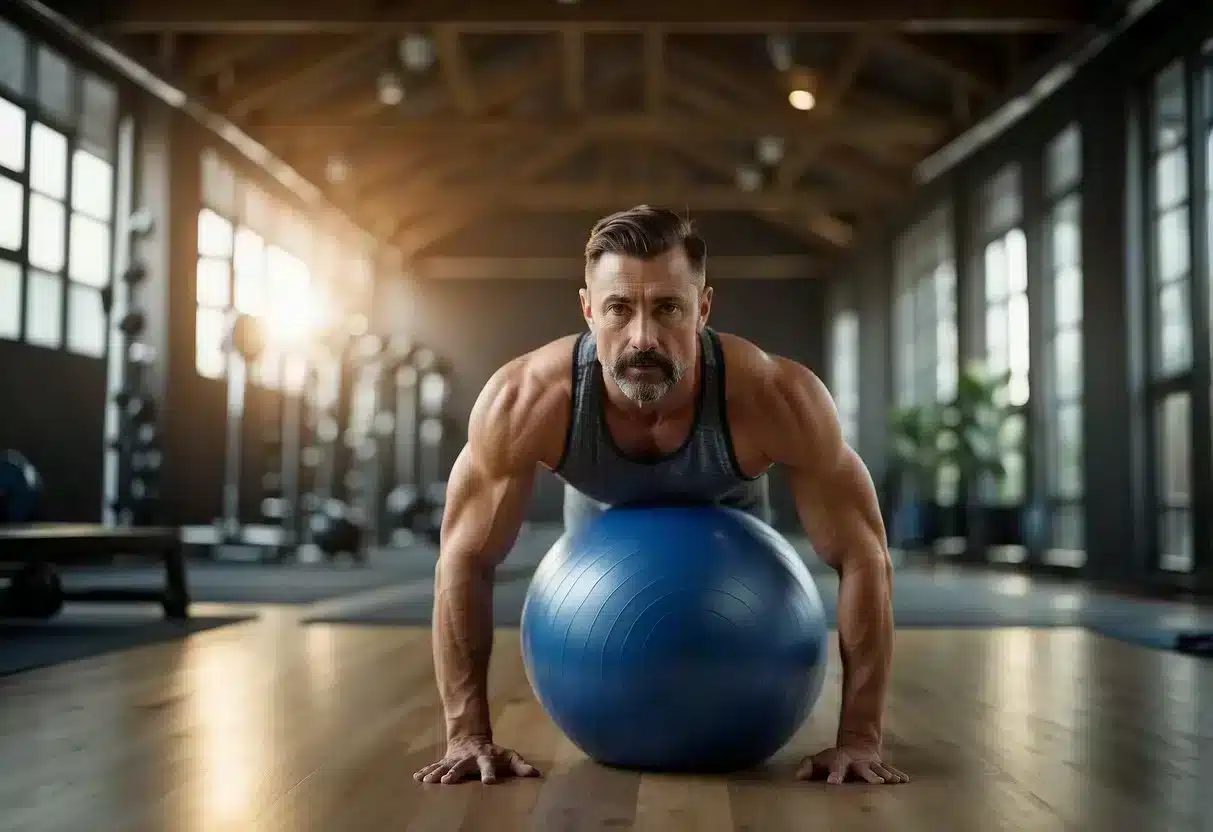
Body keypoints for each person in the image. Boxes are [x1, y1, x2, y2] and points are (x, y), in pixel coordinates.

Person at [412, 206, 905, 787]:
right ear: (588, 309)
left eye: (668, 307)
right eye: (619, 309)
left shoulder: (776, 397)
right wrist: (467, 734)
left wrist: (859, 739)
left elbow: (863, 553)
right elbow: (464, 557)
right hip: (597, 524)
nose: (643, 337)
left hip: (732, 520)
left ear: (702, 308)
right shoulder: (528, 399)